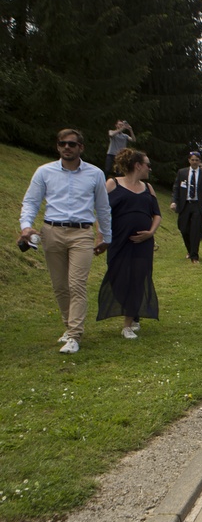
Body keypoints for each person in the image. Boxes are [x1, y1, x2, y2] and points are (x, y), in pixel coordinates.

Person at [20, 129, 112, 354]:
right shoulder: (44, 172)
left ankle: (74, 335)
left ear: (81, 147)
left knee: (76, 284)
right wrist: (26, 226)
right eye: (63, 144)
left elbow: (102, 208)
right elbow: (31, 202)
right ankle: (67, 326)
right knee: (60, 286)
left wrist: (106, 236)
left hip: (82, 233)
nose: (67, 147)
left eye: (72, 144)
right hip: (51, 231)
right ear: (58, 146)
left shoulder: (95, 174)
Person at [97, 148, 160, 338]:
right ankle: (132, 312)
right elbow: (102, 212)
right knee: (118, 278)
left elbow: (156, 214)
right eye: (147, 164)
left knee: (138, 279)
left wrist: (150, 233)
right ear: (137, 165)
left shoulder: (148, 188)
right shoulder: (113, 184)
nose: (150, 168)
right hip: (118, 241)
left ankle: (128, 322)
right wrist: (100, 238)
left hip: (143, 244)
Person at [170, 151, 202, 263]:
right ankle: (190, 250)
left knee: (195, 231)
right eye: (192, 160)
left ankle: (194, 256)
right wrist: (174, 201)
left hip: (198, 205)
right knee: (183, 229)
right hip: (185, 204)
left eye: (197, 160)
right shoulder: (182, 173)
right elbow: (176, 189)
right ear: (189, 160)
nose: (194, 162)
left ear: (200, 161)